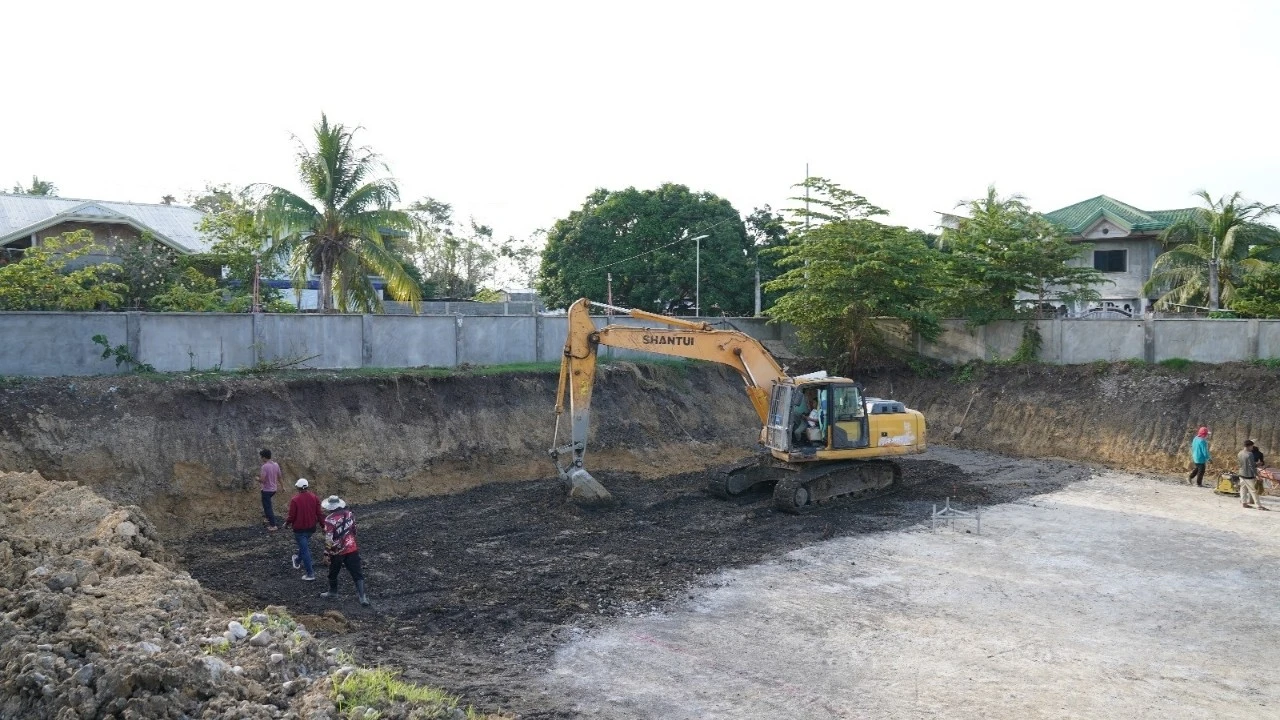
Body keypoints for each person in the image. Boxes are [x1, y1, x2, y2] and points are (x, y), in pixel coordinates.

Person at [319, 495, 369, 606]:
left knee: (333, 572)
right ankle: (362, 597)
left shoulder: (329, 520)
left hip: (337, 551)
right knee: (357, 572)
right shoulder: (349, 514)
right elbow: (354, 529)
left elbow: (329, 538)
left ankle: (333, 591)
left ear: (330, 507)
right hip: (351, 547)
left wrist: (326, 553)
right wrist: (351, 539)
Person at [285, 478, 322, 581]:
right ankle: (297, 560)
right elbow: (319, 513)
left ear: (298, 488)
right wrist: (323, 526)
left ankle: (310, 574)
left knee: (305, 550)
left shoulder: (295, 500)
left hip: (299, 530)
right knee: (304, 546)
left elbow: (292, 516)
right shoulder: (314, 497)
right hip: (311, 528)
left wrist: (287, 523)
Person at [1238, 441, 1269, 511]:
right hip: (1249, 475)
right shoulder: (1249, 454)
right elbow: (1251, 466)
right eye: (1252, 446)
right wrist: (1257, 475)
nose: (1252, 448)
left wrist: (1256, 464)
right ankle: (1258, 506)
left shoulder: (1240, 453)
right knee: (1254, 490)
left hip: (1241, 474)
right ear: (1249, 446)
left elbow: (1243, 464)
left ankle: (1244, 503)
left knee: (1243, 489)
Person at [259, 449, 282, 531]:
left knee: (268, 507)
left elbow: (262, 480)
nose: (261, 459)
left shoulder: (264, 466)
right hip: (274, 490)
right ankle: (268, 518)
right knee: (267, 506)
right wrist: (283, 486)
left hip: (266, 490)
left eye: (261, 457)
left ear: (264, 457)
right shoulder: (276, 465)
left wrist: (256, 479)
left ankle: (273, 525)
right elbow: (279, 477)